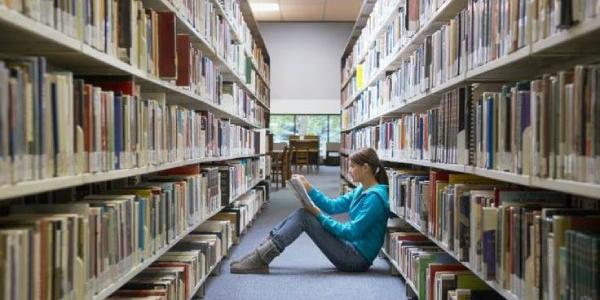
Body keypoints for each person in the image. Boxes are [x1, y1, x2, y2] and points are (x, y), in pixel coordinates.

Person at [230, 147, 389, 274]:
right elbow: (333, 206)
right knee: (303, 213)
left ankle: (260, 258)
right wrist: (309, 188)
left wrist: (317, 214)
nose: (349, 170)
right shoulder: (362, 189)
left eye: (353, 166)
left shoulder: (375, 198)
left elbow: (351, 232)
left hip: (356, 259)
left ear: (366, 168)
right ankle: (260, 254)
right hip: (351, 247)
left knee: (305, 217)